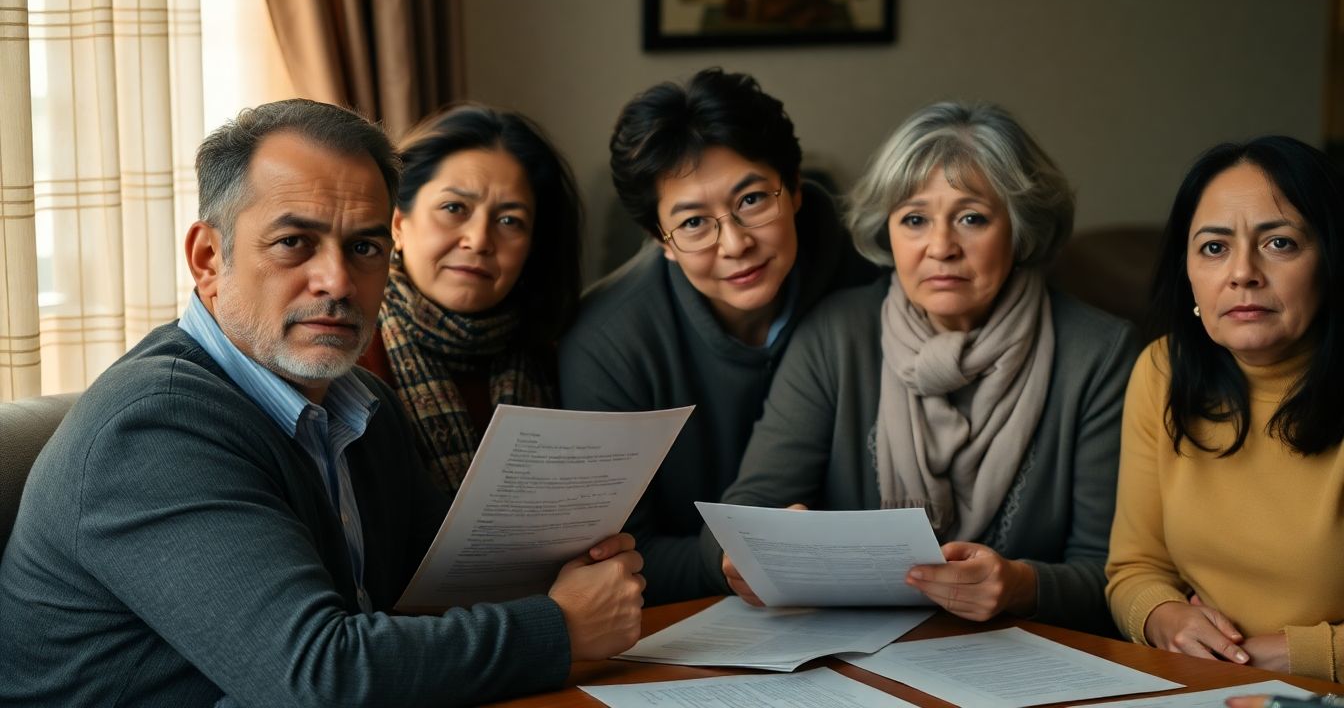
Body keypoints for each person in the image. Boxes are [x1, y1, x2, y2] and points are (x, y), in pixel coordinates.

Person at [0, 99, 643, 706]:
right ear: (207, 259)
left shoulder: (364, 408)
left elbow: (444, 591)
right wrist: (561, 627)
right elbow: (317, 677)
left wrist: (576, 567)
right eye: (293, 243)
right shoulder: (152, 428)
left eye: (363, 247)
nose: (337, 281)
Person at [704, 101, 1139, 634]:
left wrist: (1023, 585)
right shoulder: (836, 334)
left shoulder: (1098, 352)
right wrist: (753, 546)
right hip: (850, 653)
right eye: (914, 219)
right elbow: (750, 509)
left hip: (1025, 659)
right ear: (888, 232)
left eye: (972, 218)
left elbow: (1116, 575)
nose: (940, 248)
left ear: (1021, 229)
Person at [558, 68, 878, 604]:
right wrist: (726, 562)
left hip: (882, 600)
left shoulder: (878, 274)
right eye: (692, 223)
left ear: (795, 188)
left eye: (753, 200)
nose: (733, 244)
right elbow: (616, 554)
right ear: (659, 239)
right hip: (699, 621)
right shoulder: (607, 343)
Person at [1106, 136, 1344, 682]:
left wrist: (1285, 654)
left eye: (1279, 243)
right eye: (1214, 247)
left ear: (1332, 260)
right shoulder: (1163, 371)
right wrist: (1166, 619)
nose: (1242, 273)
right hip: (1202, 685)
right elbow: (1133, 569)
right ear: (1188, 271)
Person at [357, 105, 583, 497]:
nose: (479, 240)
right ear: (398, 223)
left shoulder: (559, 363)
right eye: (454, 209)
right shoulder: (347, 354)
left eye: (510, 220)